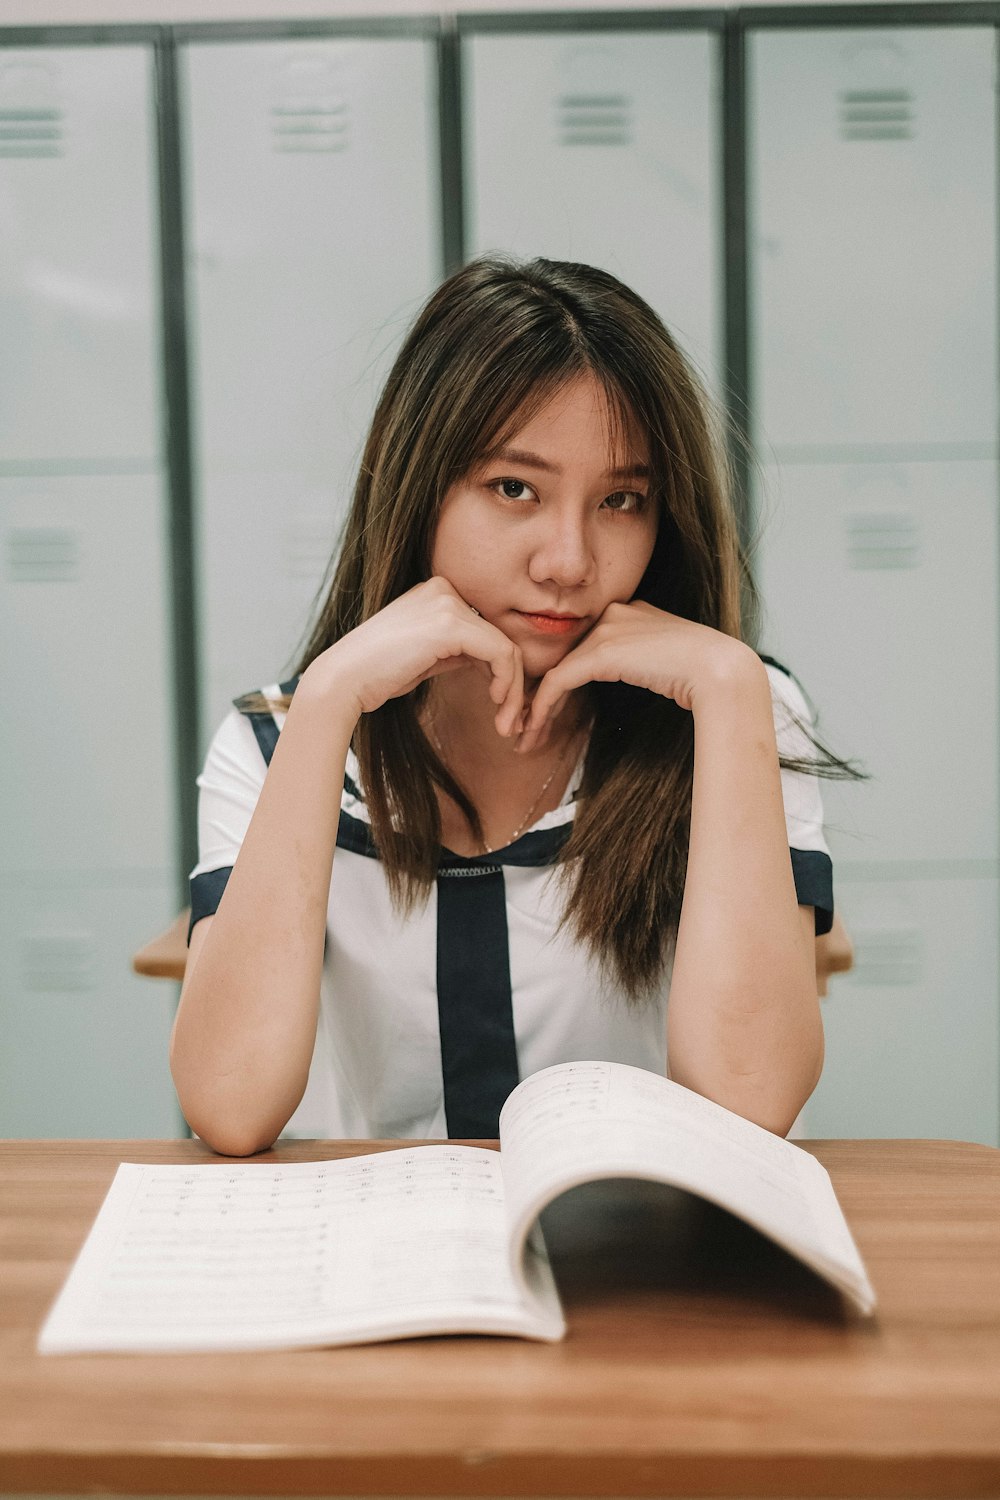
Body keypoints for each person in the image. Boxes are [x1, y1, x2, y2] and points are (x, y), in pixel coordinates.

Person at [170, 255, 839, 1158]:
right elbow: (229, 1105)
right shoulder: (272, 740)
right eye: (514, 488)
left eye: (621, 501)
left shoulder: (740, 710)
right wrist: (327, 701)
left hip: (648, 1267)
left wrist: (726, 693)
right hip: (403, 1256)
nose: (568, 559)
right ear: (415, 489)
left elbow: (750, 1097)